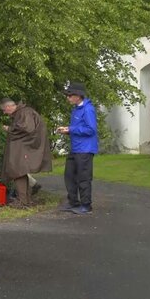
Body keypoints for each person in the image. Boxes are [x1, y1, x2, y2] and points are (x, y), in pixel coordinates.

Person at [0, 98, 52, 206]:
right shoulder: (23, 112)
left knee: (18, 171)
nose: (4, 113)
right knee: (21, 172)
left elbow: (27, 128)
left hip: (24, 147)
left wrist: (9, 129)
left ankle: (22, 201)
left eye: (4, 110)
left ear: (9, 107)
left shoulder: (24, 112)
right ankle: (25, 200)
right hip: (24, 147)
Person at [57, 82, 98, 215]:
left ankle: (86, 205)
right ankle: (73, 202)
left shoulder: (88, 109)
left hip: (85, 149)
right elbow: (79, 128)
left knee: (83, 177)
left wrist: (71, 129)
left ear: (78, 96)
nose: (67, 98)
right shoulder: (76, 109)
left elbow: (91, 129)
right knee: (69, 175)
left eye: (70, 95)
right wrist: (67, 130)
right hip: (76, 148)